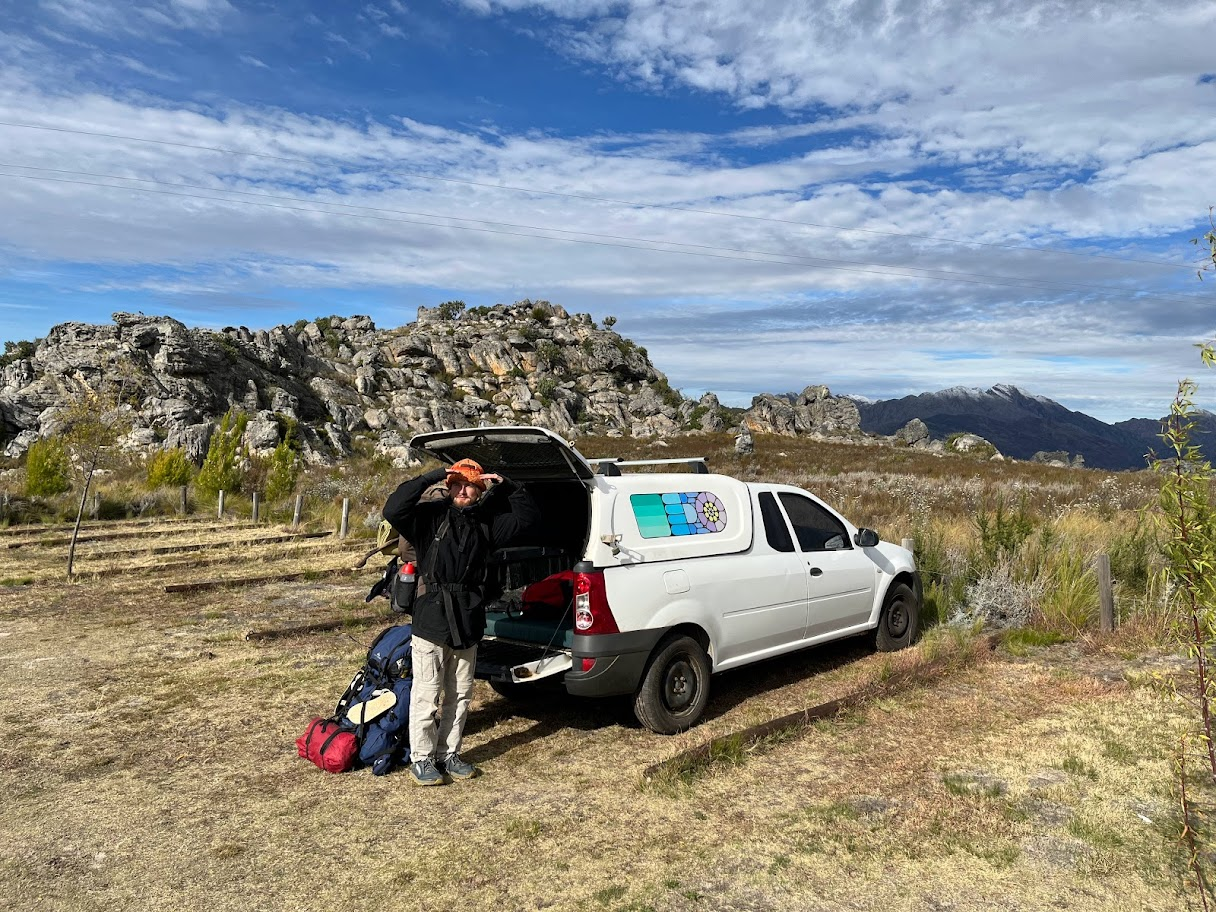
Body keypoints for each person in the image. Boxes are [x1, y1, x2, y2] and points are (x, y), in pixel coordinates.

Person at [382, 457, 539, 786]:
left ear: (479, 491)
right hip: (431, 619)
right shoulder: (428, 518)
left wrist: (508, 485)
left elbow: (527, 517)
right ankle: (422, 759)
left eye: (471, 485)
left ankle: (449, 753)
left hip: (467, 619)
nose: (464, 490)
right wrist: (436, 474)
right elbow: (394, 508)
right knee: (428, 694)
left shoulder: (486, 524)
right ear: (450, 486)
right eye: (458, 483)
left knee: (461, 694)